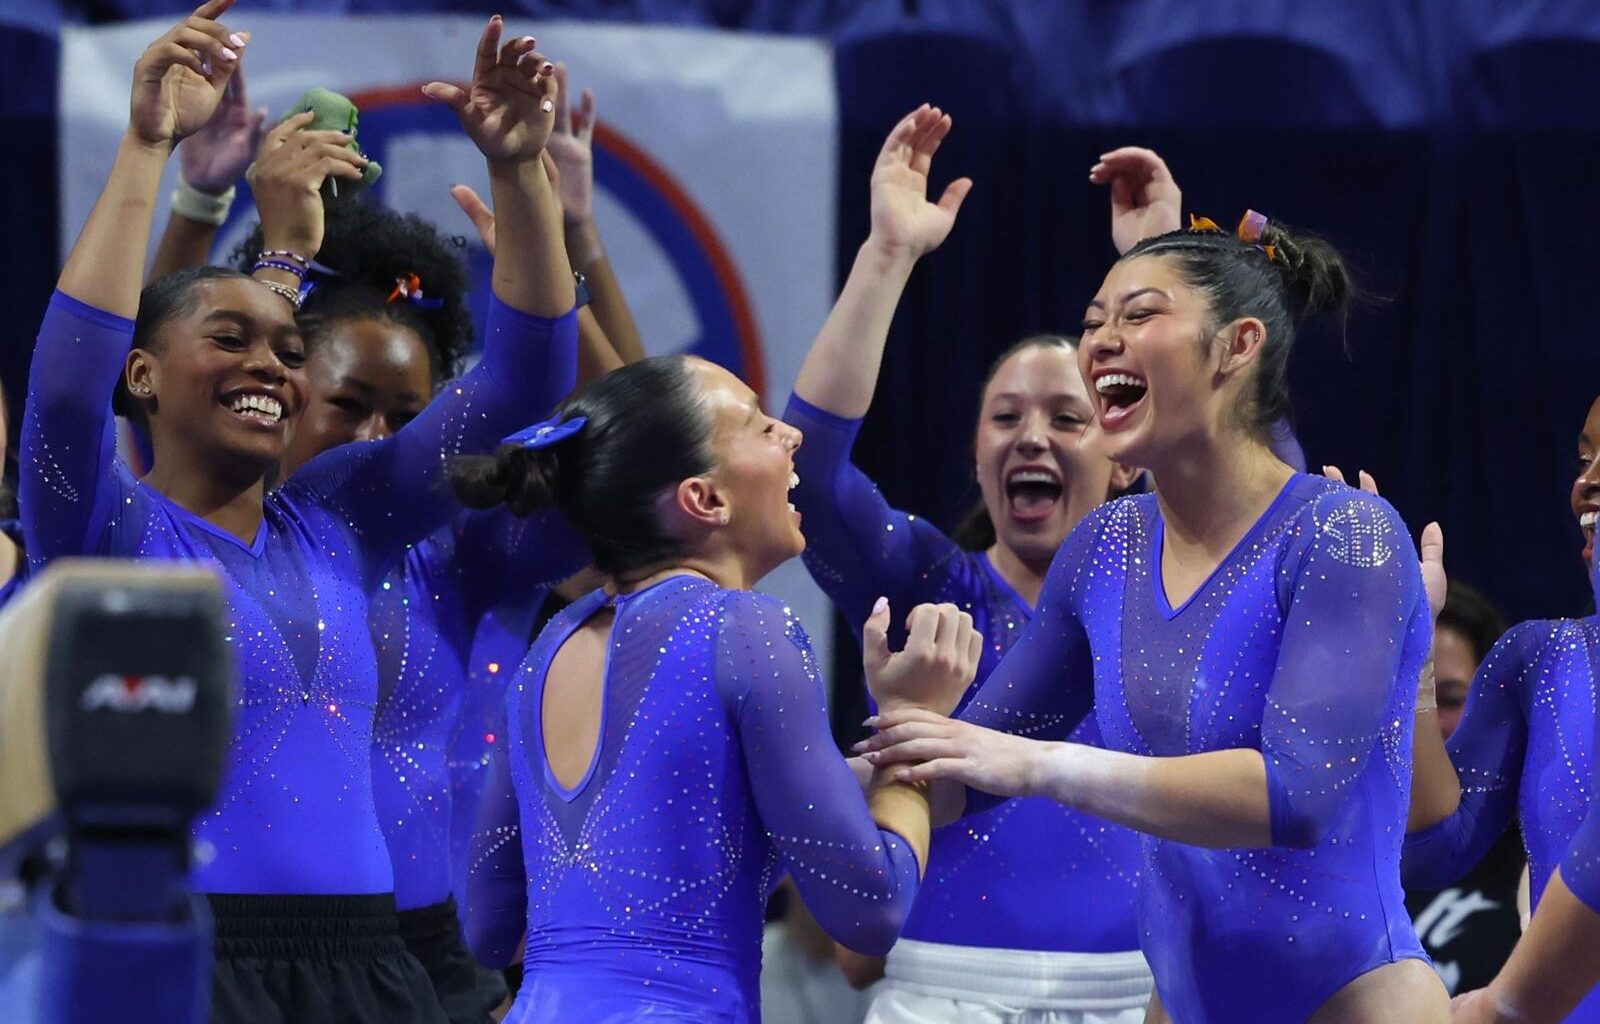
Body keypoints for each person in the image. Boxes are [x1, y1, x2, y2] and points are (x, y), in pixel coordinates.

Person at [18, 5, 577, 1020]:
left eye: (285, 349)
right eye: (228, 338)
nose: (269, 366)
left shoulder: (340, 517)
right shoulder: (105, 534)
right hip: (189, 960)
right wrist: (151, 144)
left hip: (371, 966)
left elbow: (524, 382)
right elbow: (63, 390)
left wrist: (521, 175)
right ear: (142, 375)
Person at [857, 212, 1451, 1022]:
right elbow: (971, 772)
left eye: (1138, 315)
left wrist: (1035, 766)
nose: (1100, 340)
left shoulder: (1345, 534)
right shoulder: (1105, 546)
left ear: (1237, 346)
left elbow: (1294, 798)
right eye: (1094, 321)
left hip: (1352, 1003)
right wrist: (847, 766)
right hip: (1179, 1003)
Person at [451, 353, 983, 1023]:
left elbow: (488, 926)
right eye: (762, 426)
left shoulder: (549, 647)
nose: (792, 436)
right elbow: (871, 910)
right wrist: (911, 723)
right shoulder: (747, 631)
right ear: (704, 498)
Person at [783, 106, 1152, 1022]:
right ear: (977, 450)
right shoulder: (923, 586)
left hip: (1140, 996)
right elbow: (810, 473)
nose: (1033, 436)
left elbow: (1269, 469)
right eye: (1006, 417)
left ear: (1124, 456)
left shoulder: (1173, 592)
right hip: (942, 990)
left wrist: (1164, 267)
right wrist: (888, 254)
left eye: (1069, 418)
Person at [1407, 394, 1600, 1021]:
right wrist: (1412, 654)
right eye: (1583, 459)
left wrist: (1504, 1006)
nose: (1586, 485)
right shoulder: (1541, 660)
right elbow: (1433, 849)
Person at [1398, 579, 1523, 996]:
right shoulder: (1331, 847)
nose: (1423, 725)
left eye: (1447, 698)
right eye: (1402, 700)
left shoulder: (1540, 852)